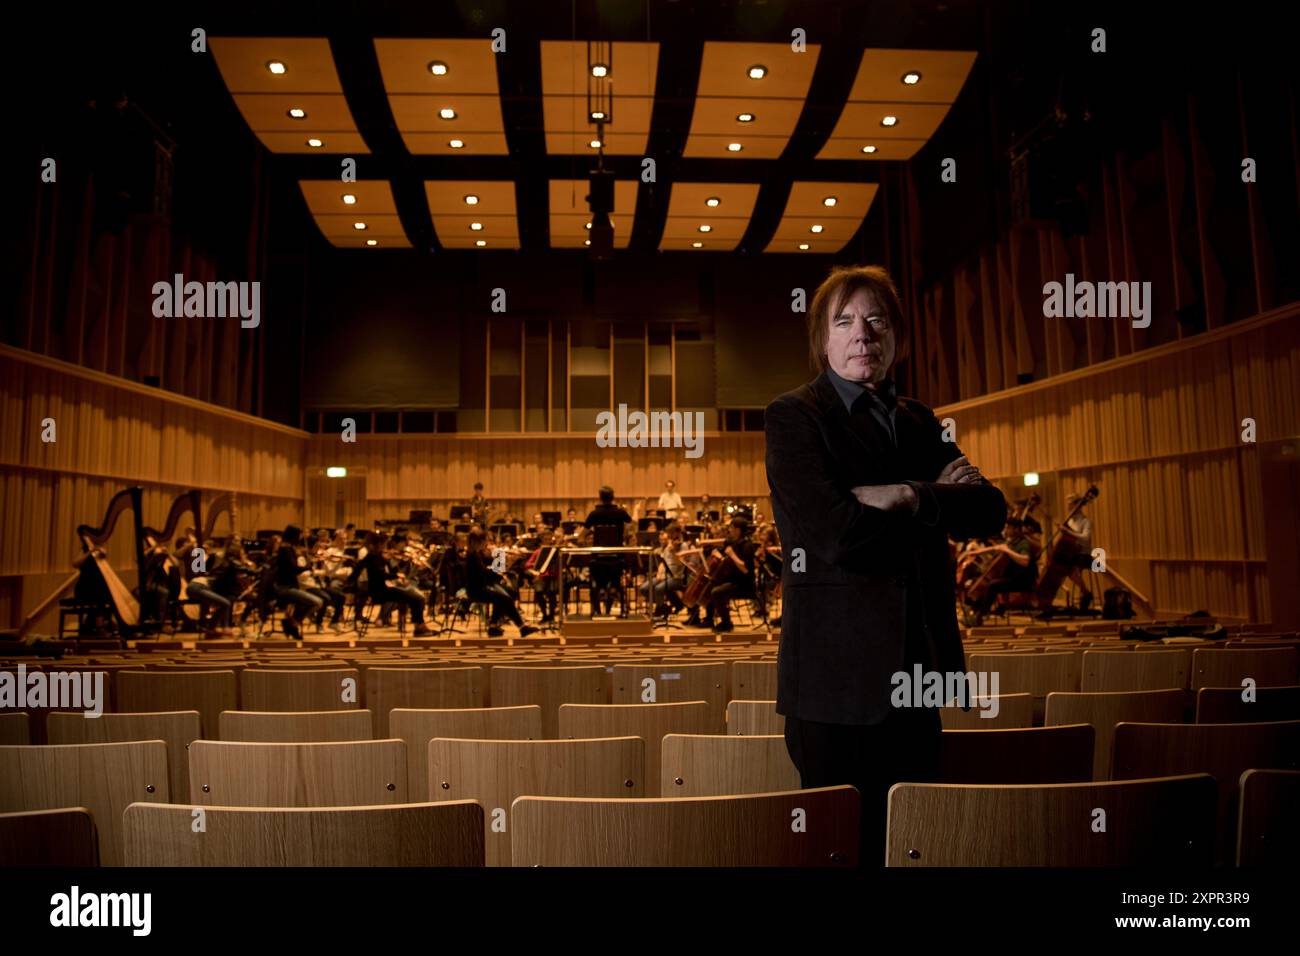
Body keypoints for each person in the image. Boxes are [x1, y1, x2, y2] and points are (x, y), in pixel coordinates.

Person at [764, 263, 1006, 864]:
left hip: (919, 671)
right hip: (835, 683)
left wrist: (906, 494)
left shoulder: (920, 420)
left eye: (875, 320)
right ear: (823, 341)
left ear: (896, 335)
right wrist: (935, 506)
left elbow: (989, 510)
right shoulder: (795, 416)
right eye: (843, 321)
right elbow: (838, 534)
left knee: (916, 846)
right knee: (841, 850)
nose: (861, 334)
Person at [351, 531, 432, 636]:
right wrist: (397, 575)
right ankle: (419, 628)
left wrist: (388, 560)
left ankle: (419, 626)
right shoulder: (373, 557)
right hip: (380, 592)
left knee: (415, 595)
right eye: (383, 544)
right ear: (377, 545)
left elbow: (359, 570)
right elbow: (381, 575)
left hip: (380, 589)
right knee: (417, 598)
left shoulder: (374, 556)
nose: (385, 547)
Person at [465, 529, 538, 637]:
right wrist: (498, 573)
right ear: (478, 541)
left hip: (484, 585)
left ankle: (494, 626)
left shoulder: (476, 553)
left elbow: (488, 562)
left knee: (510, 593)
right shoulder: (472, 555)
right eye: (484, 541)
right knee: (504, 598)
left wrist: (505, 559)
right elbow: (482, 573)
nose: (486, 544)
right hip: (476, 589)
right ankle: (522, 627)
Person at [584, 486, 632, 615]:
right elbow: (630, 525)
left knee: (596, 583)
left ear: (600, 498)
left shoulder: (594, 514)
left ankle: (597, 612)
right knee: (616, 582)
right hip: (617, 558)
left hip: (598, 559)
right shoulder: (620, 512)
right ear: (613, 497)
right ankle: (621, 609)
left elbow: (585, 532)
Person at [704, 517, 757, 632]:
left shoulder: (747, 546)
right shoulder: (733, 542)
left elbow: (746, 570)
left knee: (716, 592)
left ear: (738, 530)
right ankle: (709, 619)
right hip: (733, 580)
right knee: (711, 584)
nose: (729, 530)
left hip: (744, 584)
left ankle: (727, 623)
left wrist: (732, 555)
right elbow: (721, 543)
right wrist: (706, 544)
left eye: (731, 528)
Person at [271, 525, 324, 639]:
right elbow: (293, 569)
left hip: (290, 587)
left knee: (307, 602)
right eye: (299, 535)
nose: (300, 537)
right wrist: (307, 567)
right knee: (317, 602)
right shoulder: (285, 549)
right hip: (285, 588)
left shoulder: (287, 548)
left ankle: (291, 624)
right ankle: (293, 622)